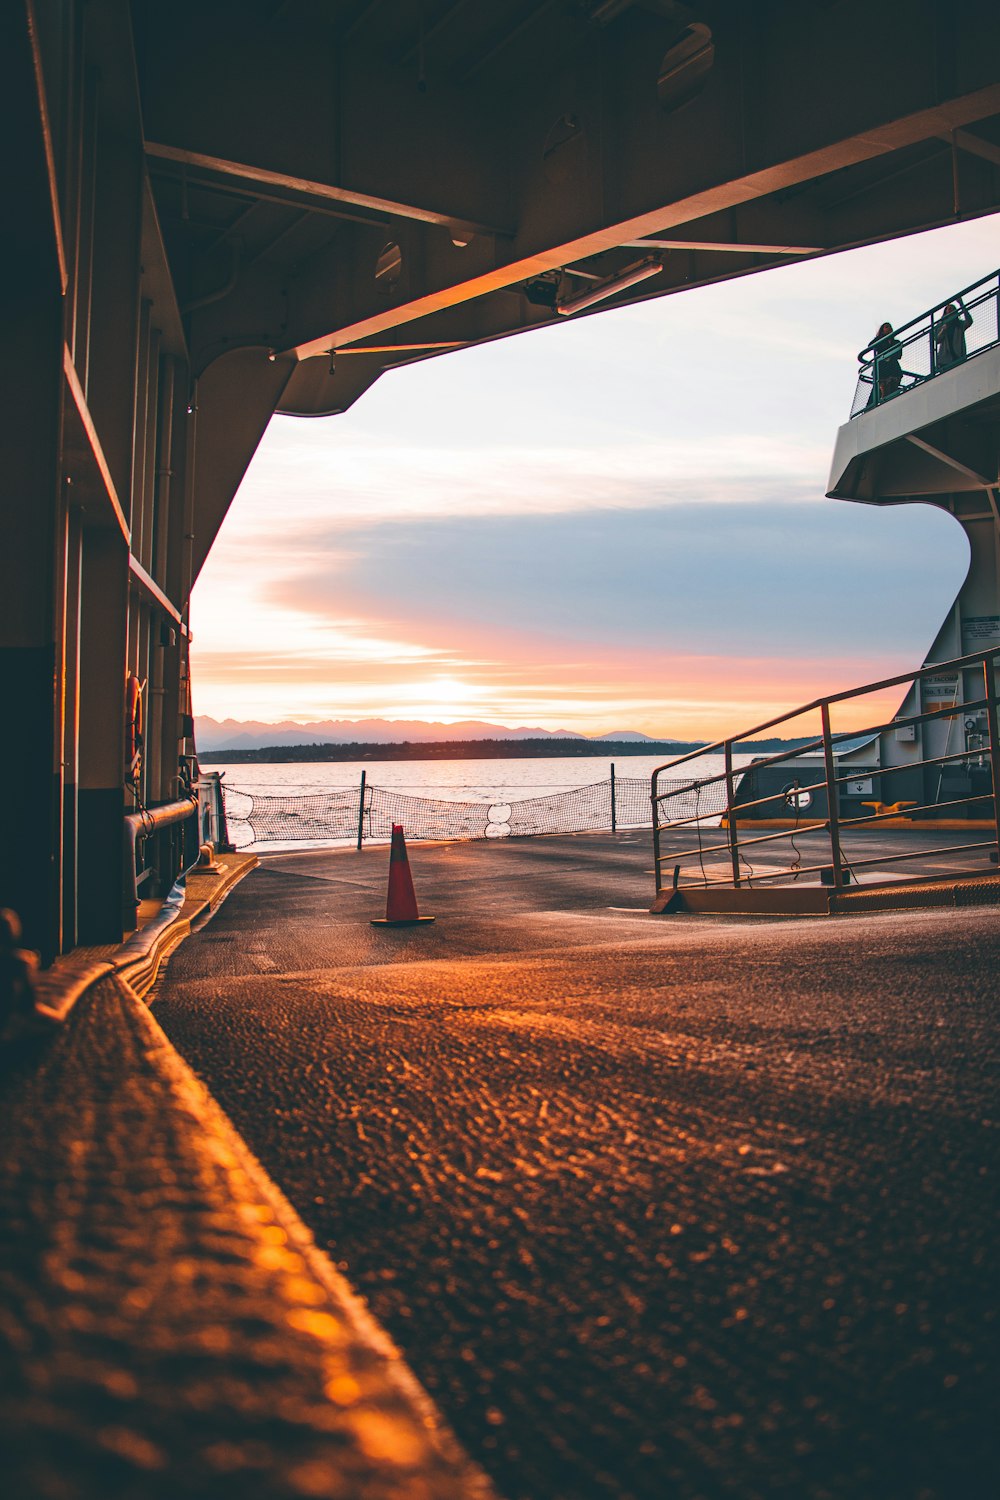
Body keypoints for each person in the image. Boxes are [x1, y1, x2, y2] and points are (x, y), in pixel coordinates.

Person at [864, 322, 902, 406]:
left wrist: (890, 356)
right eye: (886, 327)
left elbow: (899, 355)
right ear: (882, 330)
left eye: (890, 327)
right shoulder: (880, 341)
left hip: (892, 367)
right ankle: (875, 403)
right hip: (882, 368)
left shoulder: (896, 342)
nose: (889, 328)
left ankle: (889, 399)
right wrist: (881, 337)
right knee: (880, 388)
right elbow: (870, 345)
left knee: (892, 386)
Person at [934, 298, 973, 371]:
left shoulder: (959, 325)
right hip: (945, 359)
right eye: (948, 309)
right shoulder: (941, 325)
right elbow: (936, 340)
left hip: (958, 356)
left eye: (951, 309)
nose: (949, 311)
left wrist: (961, 304)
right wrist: (942, 330)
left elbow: (969, 321)